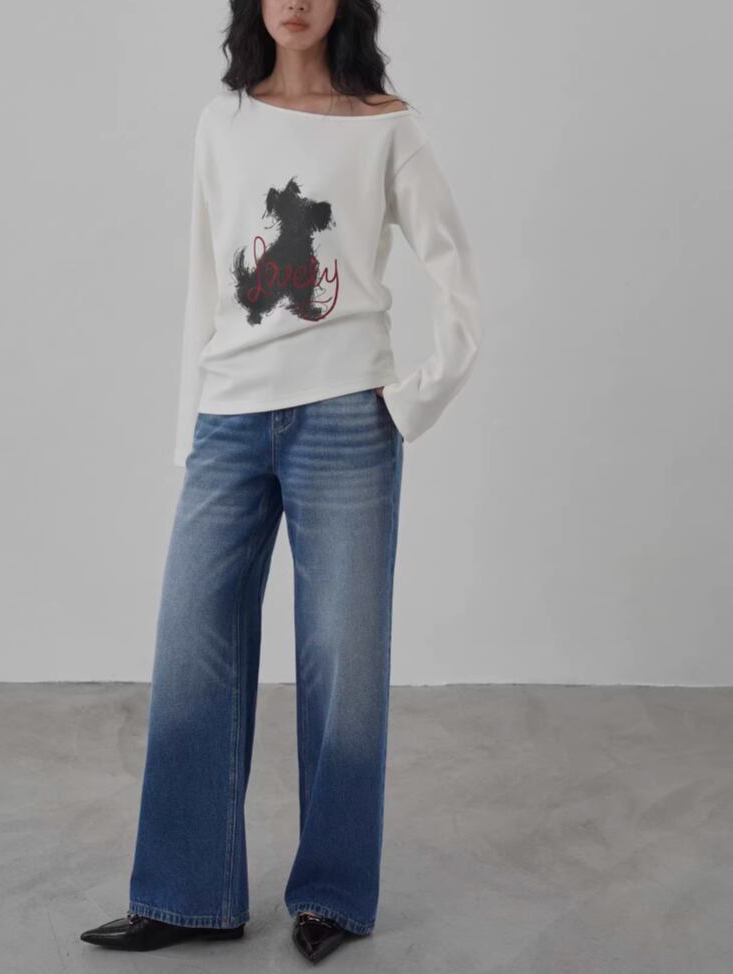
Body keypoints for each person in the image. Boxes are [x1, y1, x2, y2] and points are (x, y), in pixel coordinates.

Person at [80, 0, 482, 964]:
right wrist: (190, 428)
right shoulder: (222, 122)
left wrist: (415, 398)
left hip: (346, 419)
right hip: (229, 418)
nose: (294, 1)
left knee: (343, 661)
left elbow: (455, 274)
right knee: (192, 645)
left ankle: (332, 895)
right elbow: (202, 282)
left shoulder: (388, 126)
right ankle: (187, 894)